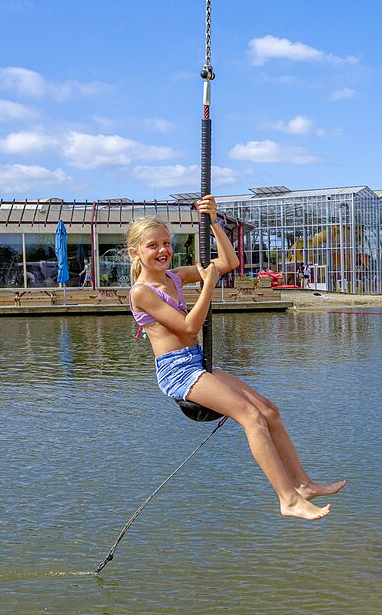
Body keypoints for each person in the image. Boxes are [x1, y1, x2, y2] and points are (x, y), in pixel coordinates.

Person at [127, 196, 343, 520]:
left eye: (167, 243)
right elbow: (188, 327)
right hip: (176, 373)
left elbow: (228, 263)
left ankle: (303, 484)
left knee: (269, 411)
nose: (162, 251)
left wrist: (213, 221)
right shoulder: (142, 291)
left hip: (196, 362)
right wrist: (208, 286)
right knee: (250, 418)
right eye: (152, 245)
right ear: (135, 253)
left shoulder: (173, 277)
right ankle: (288, 499)